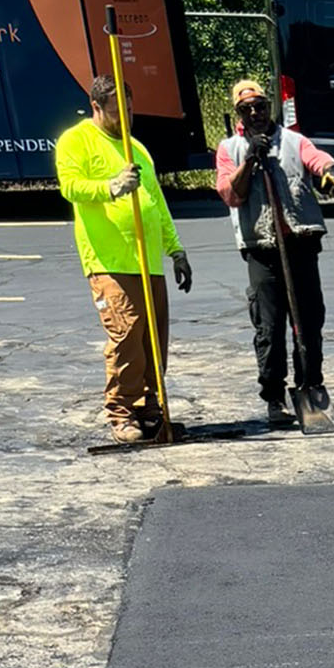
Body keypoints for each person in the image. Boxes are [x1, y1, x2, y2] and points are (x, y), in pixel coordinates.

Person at [55, 76, 193, 444]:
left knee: (153, 340)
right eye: (118, 113)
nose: (126, 119)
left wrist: (175, 249)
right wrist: (110, 186)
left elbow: (156, 202)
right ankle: (122, 412)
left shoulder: (138, 149)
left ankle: (150, 409)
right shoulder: (77, 140)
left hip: (148, 262)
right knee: (126, 336)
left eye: (130, 110)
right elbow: (69, 185)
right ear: (97, 107)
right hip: (109, 260)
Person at [214, 79, 334, 424]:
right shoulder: (229, 149)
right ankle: (274, 396)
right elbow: (230, 193)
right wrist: (251, 158)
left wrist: (330, 172)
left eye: (260, 106)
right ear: (238, 113)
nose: (255, 113)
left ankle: (310, 384)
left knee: (309, 321)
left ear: (268, 107)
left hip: (299, 244)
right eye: (247, 109)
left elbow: (316, 159)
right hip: (263, 250)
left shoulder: (293, 141)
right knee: (269, 328)